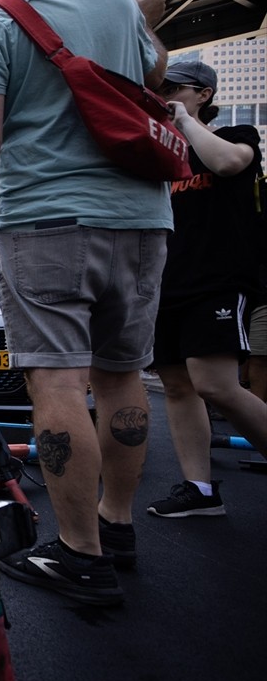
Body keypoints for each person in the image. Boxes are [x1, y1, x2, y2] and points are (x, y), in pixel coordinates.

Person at [0, 0, 171, 606]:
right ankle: (117, 527)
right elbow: (155, 78)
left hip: (47, 220)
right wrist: (140, 21)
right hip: (142, 217)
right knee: (122, 374)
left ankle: (80, 556)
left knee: (58, 382)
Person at [144, 61, 267, 517]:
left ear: (204, 94)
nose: (166, 93)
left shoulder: (237, 135)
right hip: (167, 283)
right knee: (178, 385)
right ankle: (199, 488)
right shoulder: (162, 152)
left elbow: (229, 163)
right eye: (162, 89)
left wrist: (182, 120)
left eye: (176, 88)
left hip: (217, 279)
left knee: (215, 383)